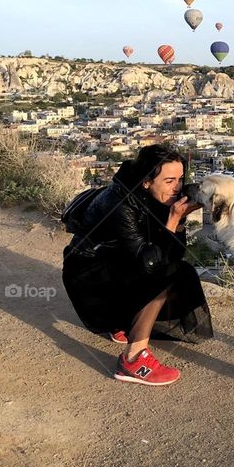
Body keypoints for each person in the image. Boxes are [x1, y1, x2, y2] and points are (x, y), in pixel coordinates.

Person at [62, 144, 212, 386]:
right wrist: (174, 218)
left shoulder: (150, 196)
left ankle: (122, 322)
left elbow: (175, 251)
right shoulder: (120, 204)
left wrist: (178, 220)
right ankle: (133, 360)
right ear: (146, 182)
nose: (177, 187)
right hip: (88, 279)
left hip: (113, 266)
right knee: (167, 272)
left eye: (180, 179)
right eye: (169, 180)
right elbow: (152, 262)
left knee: (178, 269)